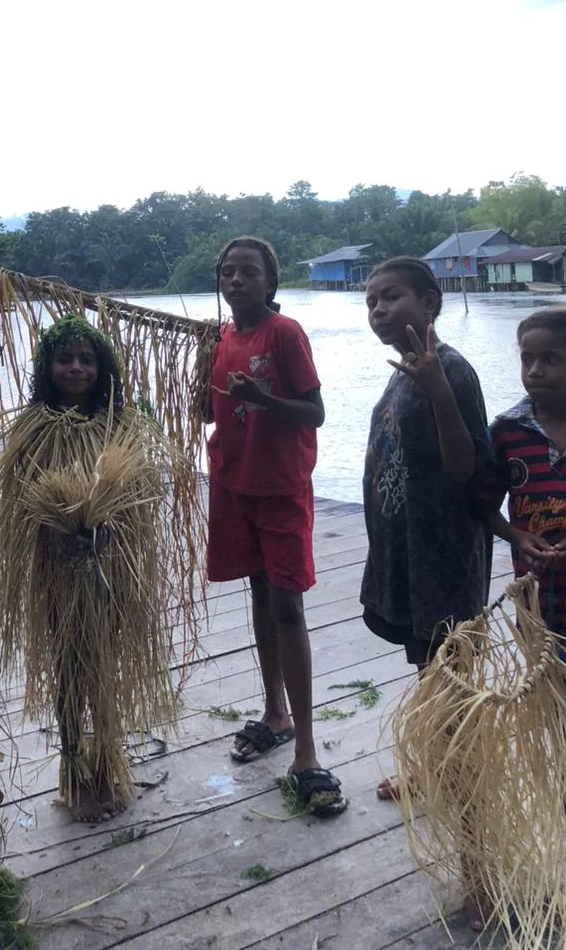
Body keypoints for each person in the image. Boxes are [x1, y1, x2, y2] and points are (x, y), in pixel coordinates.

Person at [0, 315, 179, 824]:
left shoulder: (123, 425)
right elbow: (18, 504)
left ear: (103, 368)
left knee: (106, 669)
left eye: (86, 359)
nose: (75, 368)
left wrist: (109, 521)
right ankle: (74, 778)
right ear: (47, 366)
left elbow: (145, 491)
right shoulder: (31, 431)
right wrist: (61, 525)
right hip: (59, 569)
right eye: (64, 358)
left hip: (112, 566)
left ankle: (109, 763)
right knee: (70, 670)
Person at [205, 236, 345, 816]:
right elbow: (217, 408)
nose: (237, 281)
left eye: (249, 272)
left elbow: (315, 412)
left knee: (289, 605)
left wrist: (265, 399)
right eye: (229, 272)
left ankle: (306, 749)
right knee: (260, 594)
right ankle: (274, 712)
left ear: (270, 283)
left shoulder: (284, 335)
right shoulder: (224, 337)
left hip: (282, 488)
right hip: (235, 483)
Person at [360, 259, 492, 804]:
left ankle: (461, 779)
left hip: (442, 553)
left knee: (452, 670)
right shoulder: (406, 367)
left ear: (431, 302)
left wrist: (439, 391)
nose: (379, 310)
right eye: (371, 302)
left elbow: (467, 468)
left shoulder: (451, 371)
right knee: (429, 667)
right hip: (406, 550)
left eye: (391, 297)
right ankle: (439, 767)